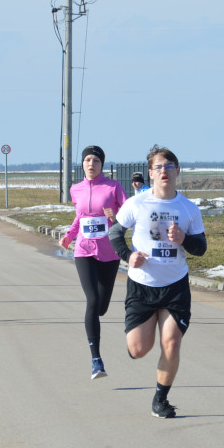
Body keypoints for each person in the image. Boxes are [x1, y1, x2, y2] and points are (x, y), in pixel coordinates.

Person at [109, 145, 207, 418]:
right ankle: (136, 343)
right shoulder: (137, 203)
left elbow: (201, 247)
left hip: (175, 286)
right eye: (159, 167)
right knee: (140, 349)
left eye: (170, 166)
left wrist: (183, 239)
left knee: (171, 344)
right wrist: (128, 256)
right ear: (151, 173)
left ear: (177, 171)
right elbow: (114, 234)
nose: (165, 171)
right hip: (142, 285)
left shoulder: (188, 208)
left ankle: (160, 400)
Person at [59, 145, 127, 379]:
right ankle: (96, 361)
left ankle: (96, 324)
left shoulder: (114, 187)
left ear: (102, 165)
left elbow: (129, 216)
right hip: (84, 250)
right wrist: (69, 235)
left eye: (96, 160)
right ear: (82, 164)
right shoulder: (76, 189)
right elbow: (80, 217)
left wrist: (115, 218)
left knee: (102, 307)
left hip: (110, 252)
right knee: (93, 300)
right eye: (87, 160)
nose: (91, 164)